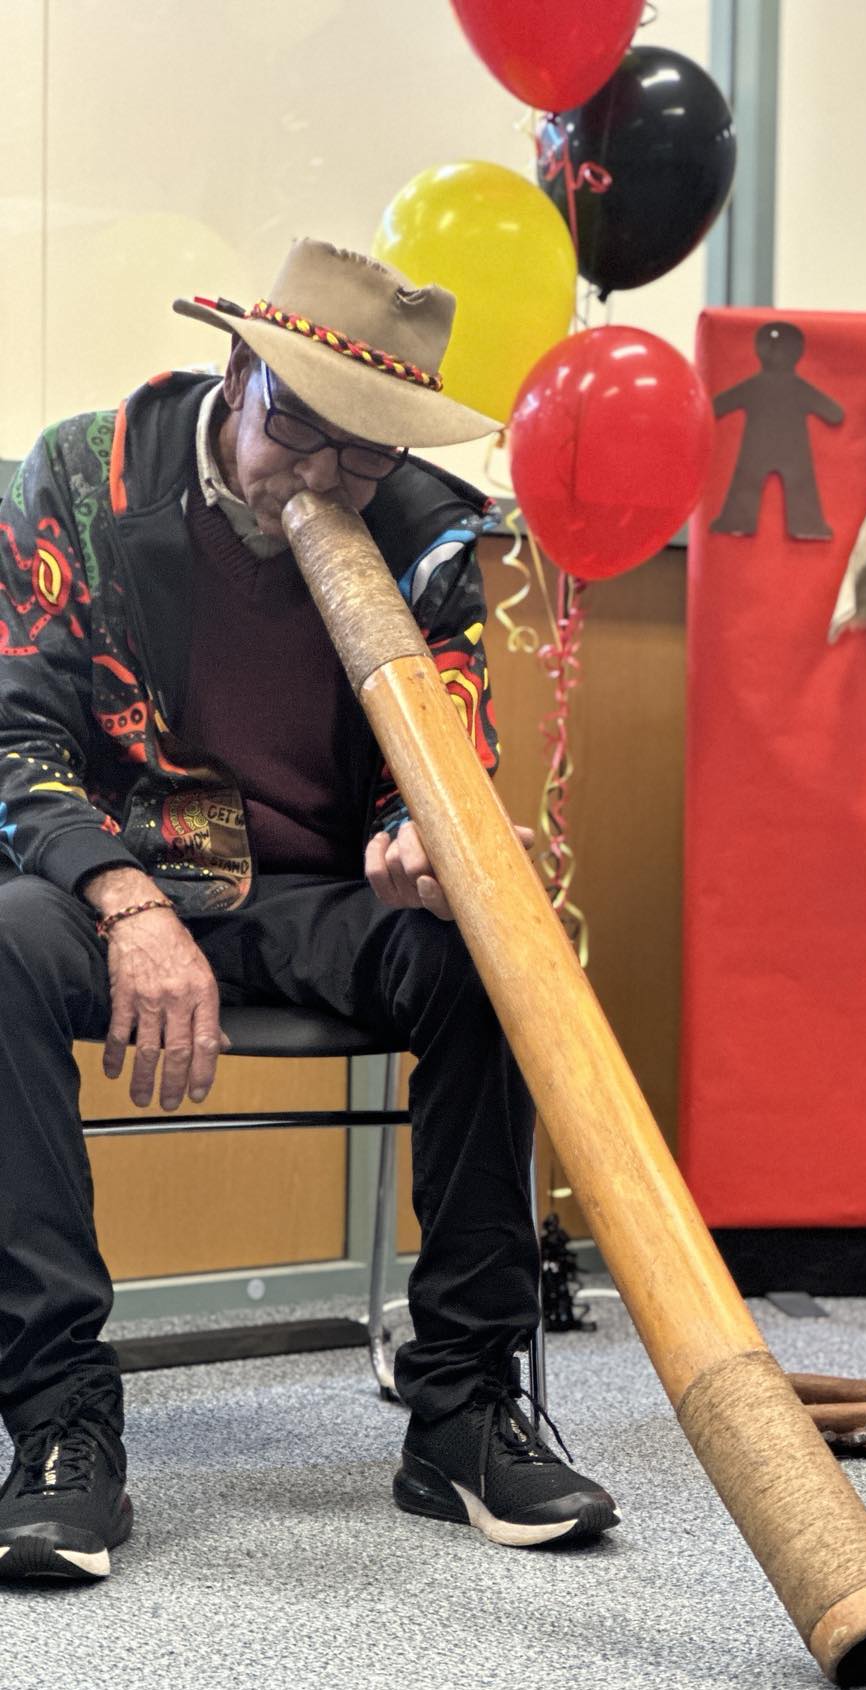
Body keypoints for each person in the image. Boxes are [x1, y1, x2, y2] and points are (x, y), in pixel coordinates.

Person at [0, 238, 618, 1582]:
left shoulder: (431, 529)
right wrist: (123, 902)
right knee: (0, 942)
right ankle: (58, 1420)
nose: (322, 481)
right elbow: (17, 738)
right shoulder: (81, 476)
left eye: (365, 454)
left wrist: (424, 835)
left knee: (490, 952)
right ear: (238, 375)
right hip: (130, 880)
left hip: (326, 898)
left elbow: (445, 743)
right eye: (300, 435)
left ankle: (458, 1408)